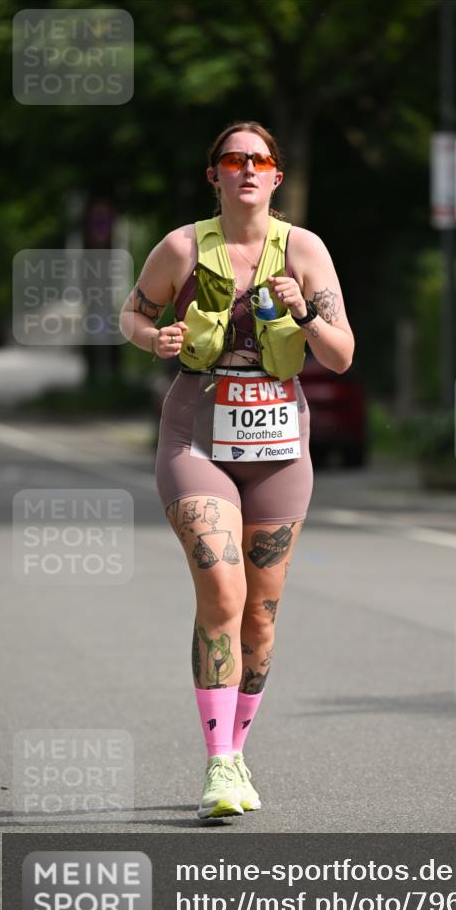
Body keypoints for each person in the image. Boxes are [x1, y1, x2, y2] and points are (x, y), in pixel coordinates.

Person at [120, 120, 354, 820]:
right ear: (214, 175)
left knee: (259, 614)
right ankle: (218, 763)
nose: (247, 169)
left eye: (259, 159)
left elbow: (340, 355)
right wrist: (154, 337)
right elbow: (132, 315)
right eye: (233, 159)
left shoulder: (304, 250)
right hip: (196, 438)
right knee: (222, 592)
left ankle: (239, 750)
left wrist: (304, 312)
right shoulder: (181, 247)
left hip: (279, 446)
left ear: (276, 176)